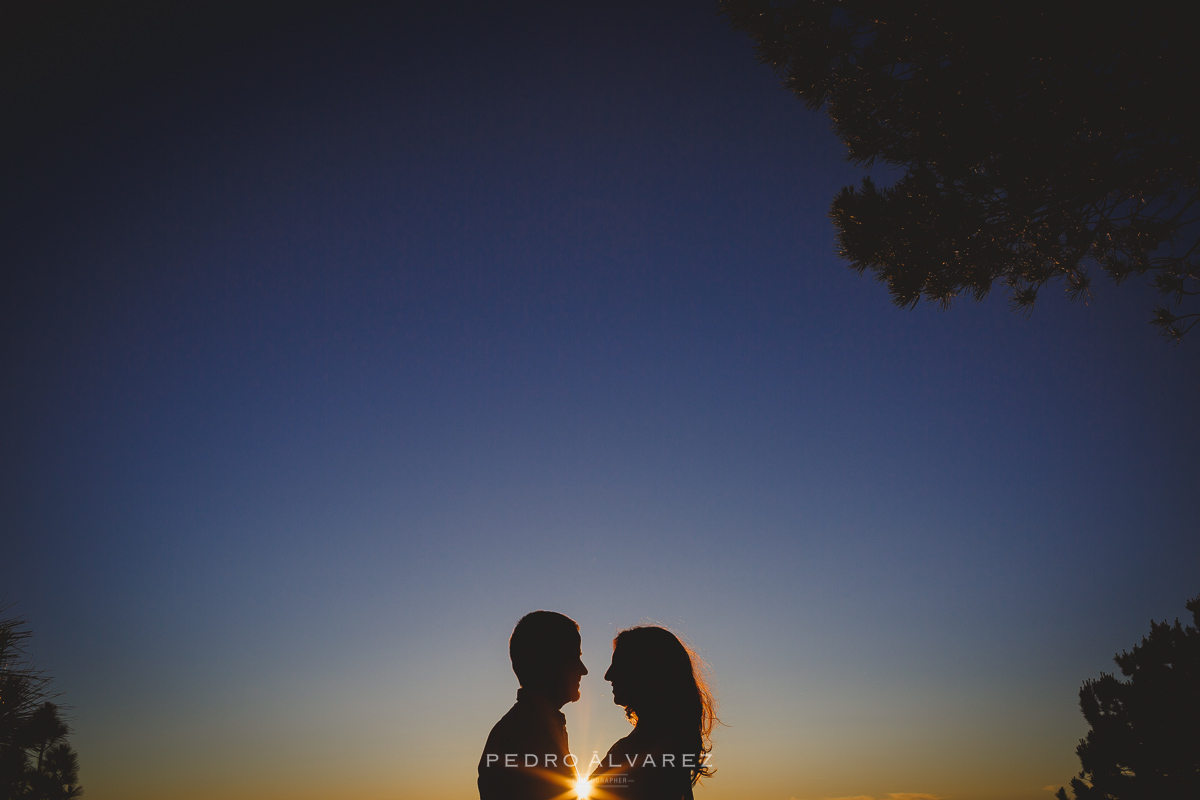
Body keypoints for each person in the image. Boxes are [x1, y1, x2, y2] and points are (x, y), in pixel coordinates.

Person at [590, 626, 716, 800]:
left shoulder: (645, 753)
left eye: (619, 665)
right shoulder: (668, 745)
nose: (608, 675)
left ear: (647, 672)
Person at [478, 610, 588, 800]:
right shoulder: (522, 733)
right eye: (573, 658)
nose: (583, 670)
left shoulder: (534, 725)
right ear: (548, 663)